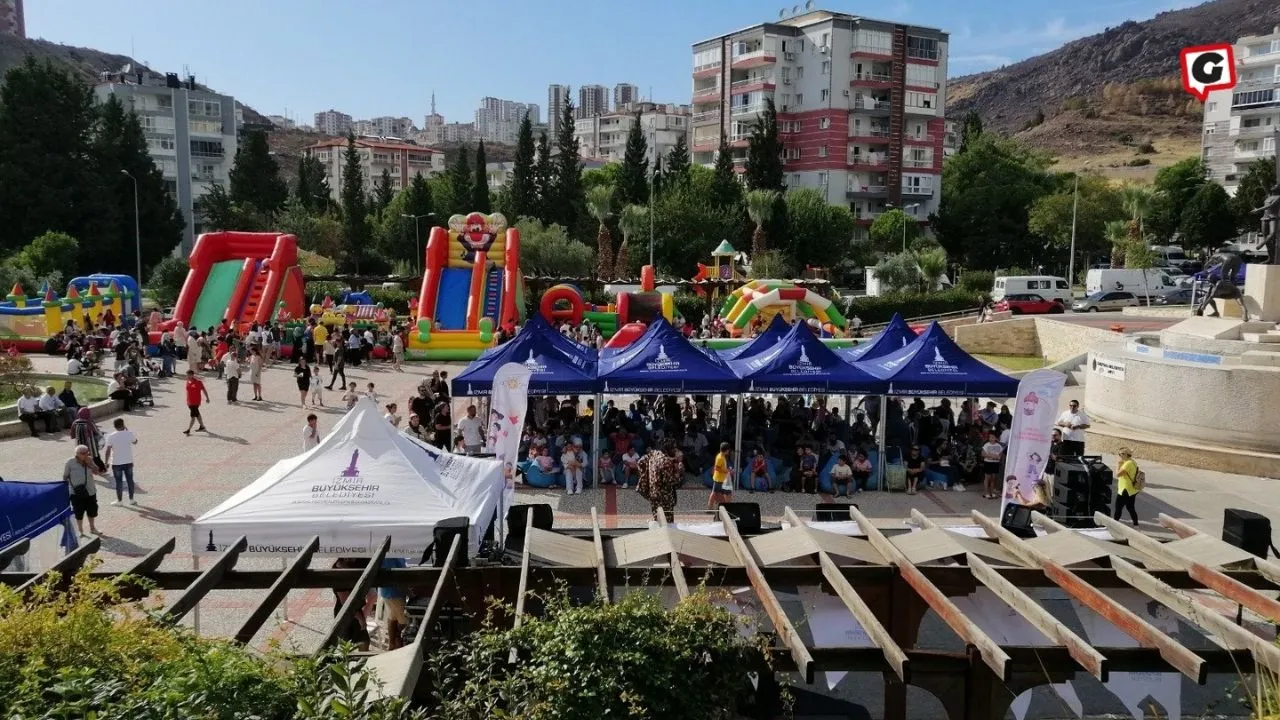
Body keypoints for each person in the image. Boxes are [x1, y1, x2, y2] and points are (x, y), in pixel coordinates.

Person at [64, 445, 105, 536]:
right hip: (76, 493)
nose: (86, 455)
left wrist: (90, 464)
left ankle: (92, 528)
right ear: (77, 454)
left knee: (92, 510)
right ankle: (80, 531)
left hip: (90, 491)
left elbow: (97, 472)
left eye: (87, 453)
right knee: (79, 512)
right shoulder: (70, 462)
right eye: (83, 453)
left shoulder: (89, 460)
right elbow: (65, 476)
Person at [331, 558, 371, 651]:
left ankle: (361, 663)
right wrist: (360, 617)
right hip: (344, 612)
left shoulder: (361, 561)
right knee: (346, 647)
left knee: (364, 642)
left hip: (357, 607)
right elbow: (345, 601)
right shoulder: (338, 570)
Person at [637, 441, 682, 523]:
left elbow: (640, 462)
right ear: (669, 449)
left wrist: (645, 477)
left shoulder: (654, 454)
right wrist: (678, 472)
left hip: (653, 493)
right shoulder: (666, 462)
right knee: (666, 522)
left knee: (656, 519)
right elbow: (670, 481)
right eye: (674, 449)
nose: (676, 451)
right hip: (664, 497)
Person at [103, 417, 139, 506]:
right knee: (130, 480)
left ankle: (119, 501)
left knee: (118, 482)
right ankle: (131, 499)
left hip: (116, 462)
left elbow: (108, 450)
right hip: (128, 461)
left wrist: (106, 462)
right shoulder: (129, 434)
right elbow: (135, 442)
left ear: (114, 426)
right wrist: (127, 431)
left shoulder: (111, 436)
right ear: (123, 425)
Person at [378, 557, 409, 650]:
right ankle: (397, 640)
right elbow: (395, 575)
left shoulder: (397, 554)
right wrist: (408, 591)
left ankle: (392, 644)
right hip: (394, 592)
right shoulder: (390, 556)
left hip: (392, 592)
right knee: (404, 620)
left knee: (393, 617)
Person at [70, 407, 105, 472]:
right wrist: (101, 433)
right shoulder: (88, 422)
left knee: (81, 457)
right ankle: (101, 469)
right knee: (95, 456)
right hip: (90, 443)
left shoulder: (75, 422)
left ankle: (84, 470)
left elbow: (72, 435)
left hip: (79, 444)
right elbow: (96, 432)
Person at [1114, 447, 1142, 526]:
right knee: (1130, 508)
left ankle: (1114, 524)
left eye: (1122, 454)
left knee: (1118, 508)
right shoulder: (1132, 461)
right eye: (1119, 454)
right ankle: (1136, 524)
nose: (1120, 456)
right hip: (1132, 490)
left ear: (1127, 455)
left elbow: (1118, 474)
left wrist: (1118, 465)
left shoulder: (1127, 464)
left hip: (1125, 489)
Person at [183, 370, 210, 435]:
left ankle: (188, 429)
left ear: (192, 375)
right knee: (197, 414)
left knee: (193, 416)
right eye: (187, 375)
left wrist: (207, 398)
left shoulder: (198, 382)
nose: (188, 376)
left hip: (195, 402)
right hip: (189, 401)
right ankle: (202, 426)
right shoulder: (188, 381)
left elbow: (204, 390)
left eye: (189, 375)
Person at [707, 442, 733, 510]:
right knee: (715, 493)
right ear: (726, 450)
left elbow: (721, 467)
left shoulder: (721, 456)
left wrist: (727, 470)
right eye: (728, 449)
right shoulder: (720, 457)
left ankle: (711, 507)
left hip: (722, 479)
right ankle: (710, 507)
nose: (729, 451)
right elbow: (716, 468)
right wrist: (726, 471)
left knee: (727, 493)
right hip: (719, 479)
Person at [980, 431, 1004, 500]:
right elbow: (983, 454)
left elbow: (1000, 455)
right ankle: (986, 492)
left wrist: (997, 457)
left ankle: (992, 492)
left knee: (994, 478)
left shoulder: (999, 446)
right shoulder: (986, 445)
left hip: (995, 463)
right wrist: (991, 456)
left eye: (993, 437)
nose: (991, 439)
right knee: (988, 478)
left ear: (996, 438)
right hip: (988, 463)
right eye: (990, 437)